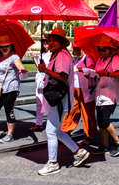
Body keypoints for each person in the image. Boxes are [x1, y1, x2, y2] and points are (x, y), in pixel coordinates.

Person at [37, 27, 90, 175]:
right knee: (58, 131)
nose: (50, 43)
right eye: (49, 40)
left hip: (60, 100)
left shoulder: (62, 55)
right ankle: (78, 151)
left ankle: (53, 163)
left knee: (50, 131)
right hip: (59, 99)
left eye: (54, 40)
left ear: (61, 42)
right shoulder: (58, 54)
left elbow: (63, 77)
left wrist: (45, 71)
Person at [93, 36, 119, 157]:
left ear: (110, 50)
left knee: (105, 121)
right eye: (99, 49)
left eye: (103, 49)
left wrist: (106, 73)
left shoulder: (116, 59)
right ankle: (105, 145)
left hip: (109, 94)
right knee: (101, 123)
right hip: (99, 94)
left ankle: (118, 142)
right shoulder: (100, 59)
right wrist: (91, 75)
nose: (100, 51)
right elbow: (97, 74)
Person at [60, 42, 98, 144]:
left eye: (78, 48)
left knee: (87, 113)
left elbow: (93, 71)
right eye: (75, 49)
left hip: (86, 90)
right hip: (75, 89)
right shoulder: (75, 59)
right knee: (72, 110)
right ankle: (65, 130)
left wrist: (80, 69)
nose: (76, 51)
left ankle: (90, 135)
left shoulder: (88, 58)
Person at [29, 36, 51, 132]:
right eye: (43, 42)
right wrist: (34, 59)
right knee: (39, 103)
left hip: (47, 80)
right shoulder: (42, 54)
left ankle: (51, 124)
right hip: (39, 80)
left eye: (46, 41)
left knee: (48, 103)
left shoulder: (52, 55)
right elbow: (39, 67)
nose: (44, 43)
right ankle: (39, 123)